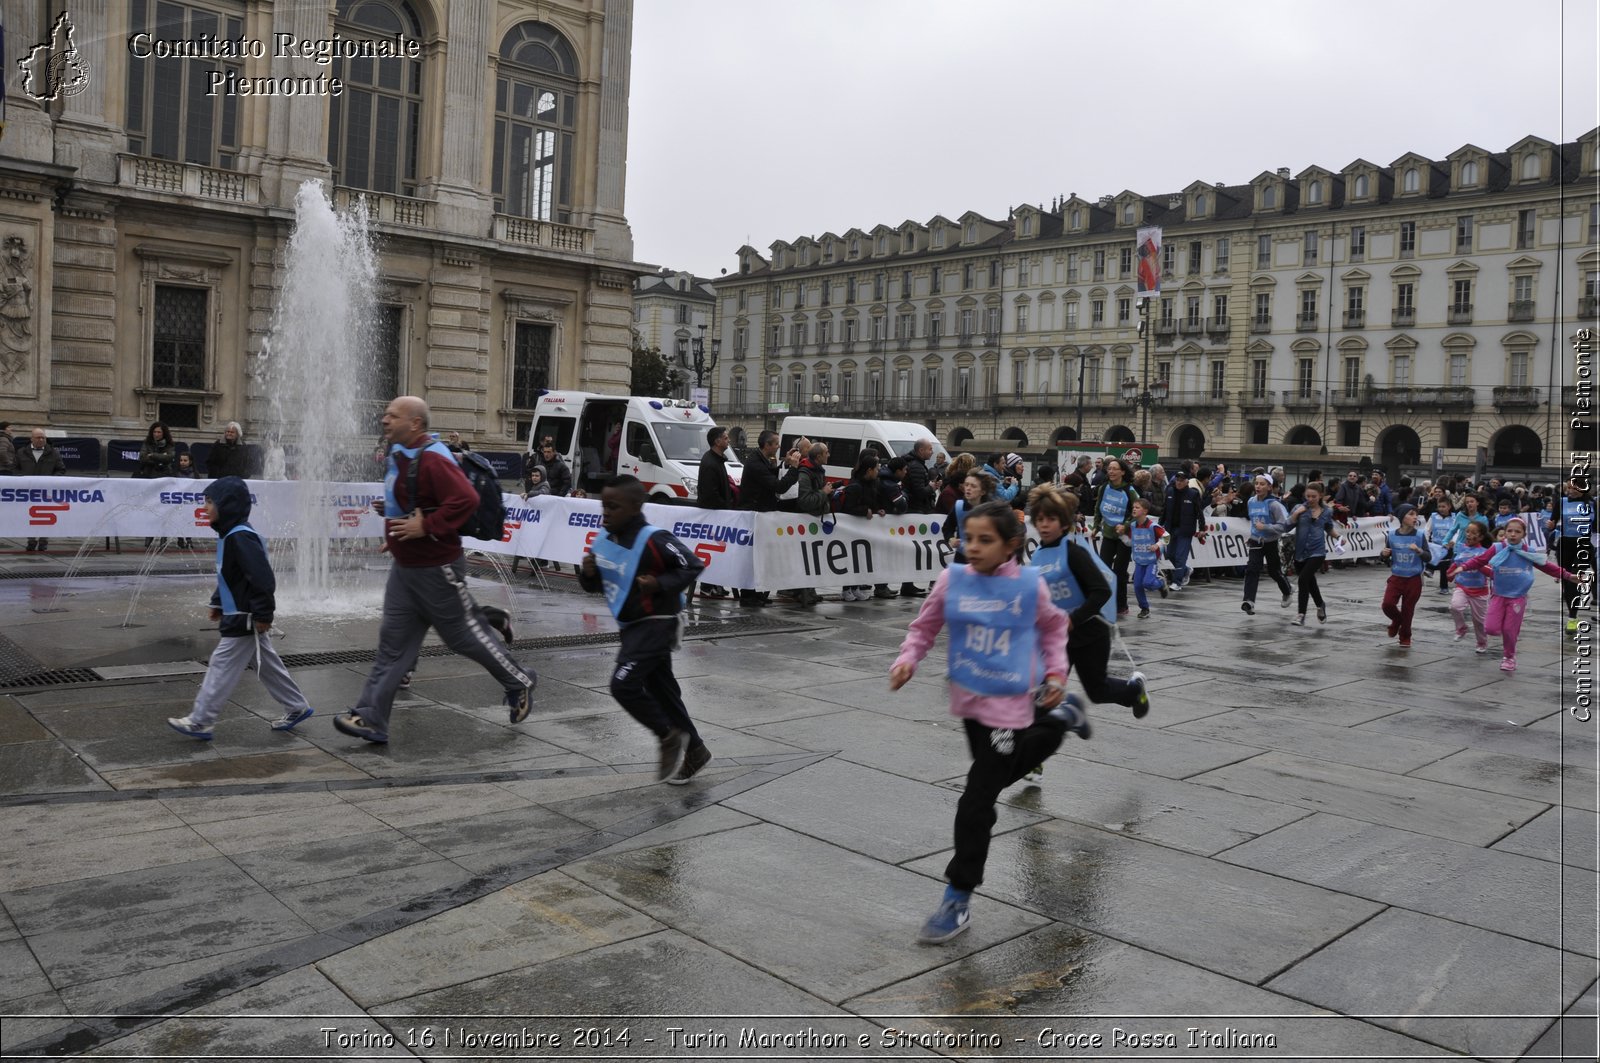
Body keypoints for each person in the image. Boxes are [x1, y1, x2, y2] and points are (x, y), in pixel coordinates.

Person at [889, 500, 1082, 944]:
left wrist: (1056, 673)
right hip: (971, 703)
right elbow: (924, 628)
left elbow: (1055, 630)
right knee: (997, 774)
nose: (971, 548)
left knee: (977, 800)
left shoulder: (1029, 586)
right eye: (968, 537)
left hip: (1010, 704)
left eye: (984, 540)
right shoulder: (951, 580)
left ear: (1012, 545)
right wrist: (907, 661)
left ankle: (957, 897)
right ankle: (1060, 721)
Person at [332, 397, 537, 744]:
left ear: (414, 423)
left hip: (435, 566)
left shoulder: (432, 456)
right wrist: (395, 526)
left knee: (463, 637)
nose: (384, 420)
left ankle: (520, 680)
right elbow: (419, 498)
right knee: (392, 647)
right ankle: (370, 717)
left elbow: (465, 500)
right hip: (407, 566)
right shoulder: (403, 453)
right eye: (385, 414)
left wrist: (425, 526)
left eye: (393, 415)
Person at [579, 475, 710, 783]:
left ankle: (667, 736)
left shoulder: (654, 538)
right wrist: (589, 575)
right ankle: (697, 750)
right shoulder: (604, 539)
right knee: (663, 694)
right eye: (603, 506)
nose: (606, 513)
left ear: (636, 507)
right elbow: (599, 585)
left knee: (623, 685)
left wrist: (658, 584)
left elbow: (692, 566)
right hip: (631, 626)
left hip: (656, 625)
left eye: (613, 506)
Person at [166, 477, 316, 740]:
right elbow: (230, 576)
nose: (206, 507)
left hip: (245, 617)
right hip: (242, 614)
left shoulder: (240, 536)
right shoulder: (232, 535)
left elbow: (262, 578)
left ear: (228, 504)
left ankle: (201, 720)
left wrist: (263, 613)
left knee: (221, 664)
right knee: (266, 664)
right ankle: (296, 706)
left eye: (210, 502)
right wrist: (217, 602)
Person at [1026, 484, 1149, 729]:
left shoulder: (1074, 553)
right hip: (1058, 638)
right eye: (1040, 519)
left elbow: (1101, 591)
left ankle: (1134, 690)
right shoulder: (1037, 556)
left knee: (1097, 691)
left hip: (1091, 632)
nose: (1044, 525)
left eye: (1051, 519)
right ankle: (1033, 755)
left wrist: (1072, 620)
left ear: (1064, 523)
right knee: (1043, 691)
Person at [1450, 516, 1582, 672]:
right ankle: (1501, 636)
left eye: (1517, 531)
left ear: (1524, 534)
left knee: (1509, 630)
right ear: (1505, 532)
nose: (1513, 534)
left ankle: (1509, 657)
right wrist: (1462, 567)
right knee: (1491, 628)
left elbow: (1547, 566)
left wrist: (1567, 575)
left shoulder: (1528, 551)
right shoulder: (1497, 548)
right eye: (1510, 531)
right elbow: (1479, 560)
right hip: (1498, 595)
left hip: (1517, 598)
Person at [737, 429, 801, 606]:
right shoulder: (755, 463)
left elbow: (772, 474)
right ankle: (748, 595)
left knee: (761, 557)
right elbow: (778, 486)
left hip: (762, 513)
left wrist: (785, 463)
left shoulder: (762, 459)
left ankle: (756, 593)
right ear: (767, 445)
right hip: (754, 514)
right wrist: (793, 469)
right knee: (752, 557)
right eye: (776, 443)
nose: (779, 446)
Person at [1091, 457, 1139, 617]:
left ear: (1123, 472)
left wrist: (1125, 525)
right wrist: (1096, 526)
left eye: (1114, 469)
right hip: (1108, 534)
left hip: (1124, 537)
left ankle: (1121, 605)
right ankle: (1104, 603)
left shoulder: (1130, 491)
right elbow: (1098, 508)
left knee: (1119, 571)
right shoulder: (1104, 487)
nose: (1111, 471)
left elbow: (1138, 512)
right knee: (1104, 569)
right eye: (1109, 469)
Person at [1240, 474, 1292, 615]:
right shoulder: (1251, 501)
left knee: (1274, 571)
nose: (1258, 486)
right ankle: (1249, 601)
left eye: (1262, 484)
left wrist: (1266, 527)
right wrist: (1252, 535)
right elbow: (1253, 522)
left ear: (1269, 487)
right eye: (1256, 483)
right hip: (1256, 542)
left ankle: (1287, 590)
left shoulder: (1274, 505)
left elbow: (1284, 526)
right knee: (1251, 569)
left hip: (1271, 542)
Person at [1288, 482, 1338, 626]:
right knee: (1311, 583)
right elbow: (1287, 524)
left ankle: (1300, 614)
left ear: (1320, 495)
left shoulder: (1327, 511)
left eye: (1313, 496)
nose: (1310, 499)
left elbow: (1328, 527)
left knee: (1303, 580)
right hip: (1300, 551)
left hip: (1317, 551)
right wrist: (1297, 513)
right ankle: (1320, 605)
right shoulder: (1299, 508)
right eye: (1307, 496)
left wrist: (1339, 537)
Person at [695, 426, 736, 599]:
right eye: (726, 438)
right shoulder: (710, 463)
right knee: (711, 550)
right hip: (713, 513)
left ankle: (715, 584)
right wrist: (724, 506)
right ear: (717, 441)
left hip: (719, 512)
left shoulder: (717, 460)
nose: (729, 440)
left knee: (718, 551)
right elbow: (710, 493)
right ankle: (707, 586)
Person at [838, 451, 885, 601]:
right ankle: (846, 589)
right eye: (876, 469)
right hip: (852, 529)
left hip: (864, 529)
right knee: (850, 559)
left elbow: (872, 502)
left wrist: (879, 510)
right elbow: (848, 508)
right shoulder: (855, 486)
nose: (878, 471)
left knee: (860, 559)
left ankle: (856, 587)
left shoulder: (871, 484)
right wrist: (865, 511)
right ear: (869, 470)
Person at [1380, 505, 1429, 648]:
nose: (1415, 517)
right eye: (1411, 514)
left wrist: (1419, 550)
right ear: (1402, 518)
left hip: (1414, 579)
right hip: (1396, 577)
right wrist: (1383, 555)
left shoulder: (1419, 535)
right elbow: (1385, 557)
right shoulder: (1392, 535)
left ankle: (1405, 636)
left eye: (1416, 515)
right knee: (1387, 605)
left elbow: (1428, 557)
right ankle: (1397, 621)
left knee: (1408, 609)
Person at [1550, 480, 1594, 633]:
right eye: (1568, 487)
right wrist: (1550, 524)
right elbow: (1552, 520)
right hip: (1565, 545)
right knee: (1568, 581)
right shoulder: (1561, 502)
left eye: (1575, 487)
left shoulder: (1593, 504)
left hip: (1584, 545)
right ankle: (1572, 614)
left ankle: (1572, 617)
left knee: (1575, 580)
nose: (1571, 490)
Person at [1449, 520, 1493, 654]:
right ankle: (1461, 628)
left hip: (1480, 590)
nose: (1468, 534)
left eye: (1473, 533)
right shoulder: (1461, 548)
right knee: (1455, 606)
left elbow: (1490, 571)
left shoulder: (1485, 552)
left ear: (1480, 537)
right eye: (1467, 531)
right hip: (1462, 586)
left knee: (1479, 620)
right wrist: (1450, 573)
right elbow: (1456, 563)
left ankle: (1481, 641)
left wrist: (1477, 564)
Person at [18, 428, 67, 551]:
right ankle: (31, 540)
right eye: (38, 437)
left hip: (47, 491)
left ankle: (44, 540)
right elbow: (15, 468)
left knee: (45, 515)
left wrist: (52, 480)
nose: (41, 439)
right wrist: (20, 480)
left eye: (43, 437)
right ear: (31, 439)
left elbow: (61, 469)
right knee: (30, 515)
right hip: (28, 491)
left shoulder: (54, 453)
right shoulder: (21, 452)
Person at [1162, 469, 1205, 590]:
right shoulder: (1169, 491)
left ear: (1187, 482)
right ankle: (1186, 570)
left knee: (1180, 556)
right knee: (1170, 554)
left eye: (1182, 480)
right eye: (1177, 480)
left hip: (1185, 530)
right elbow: (1165, 510)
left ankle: (1177, 582)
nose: (1179, 482)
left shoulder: (1193, 494)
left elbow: (1199, 512)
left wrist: (1202, 527)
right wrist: (1160, 524)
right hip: (1170, 528)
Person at [1127, 498, 1166, 619]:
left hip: (1151, 561)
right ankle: (1144, 608)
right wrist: (1121, 535)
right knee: (1138, 586)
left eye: (1137, 507)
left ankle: (1160, 583)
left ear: (1145, 511)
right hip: (1139, 560)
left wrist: (1157, 545)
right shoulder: (1132, 526)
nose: (1134, 509)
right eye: (1133, 507)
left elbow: (1167, 537)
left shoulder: (1152, 526)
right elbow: (1129, 541)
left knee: (1148, 583)